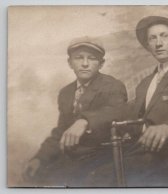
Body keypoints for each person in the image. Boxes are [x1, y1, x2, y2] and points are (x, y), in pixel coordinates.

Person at [89, 11, 168, 187]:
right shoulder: (147, 82)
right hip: (140, 151)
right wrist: (85, 121)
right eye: (152, 38)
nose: (158, 43)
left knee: (100, 178)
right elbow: (127, 111)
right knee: (86, 165)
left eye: (164, 36)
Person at [23, 36, 127, 187]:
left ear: (101, 63)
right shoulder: (66, 92)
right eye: (79, 58)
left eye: (92, 58)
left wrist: (84, 121)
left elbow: (117, 111)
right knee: (38, 177)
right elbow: (61, 131)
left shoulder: (112, 86)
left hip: (103, 156)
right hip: (74, 158)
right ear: (70, 63)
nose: (85, 64)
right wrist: (40, 158)